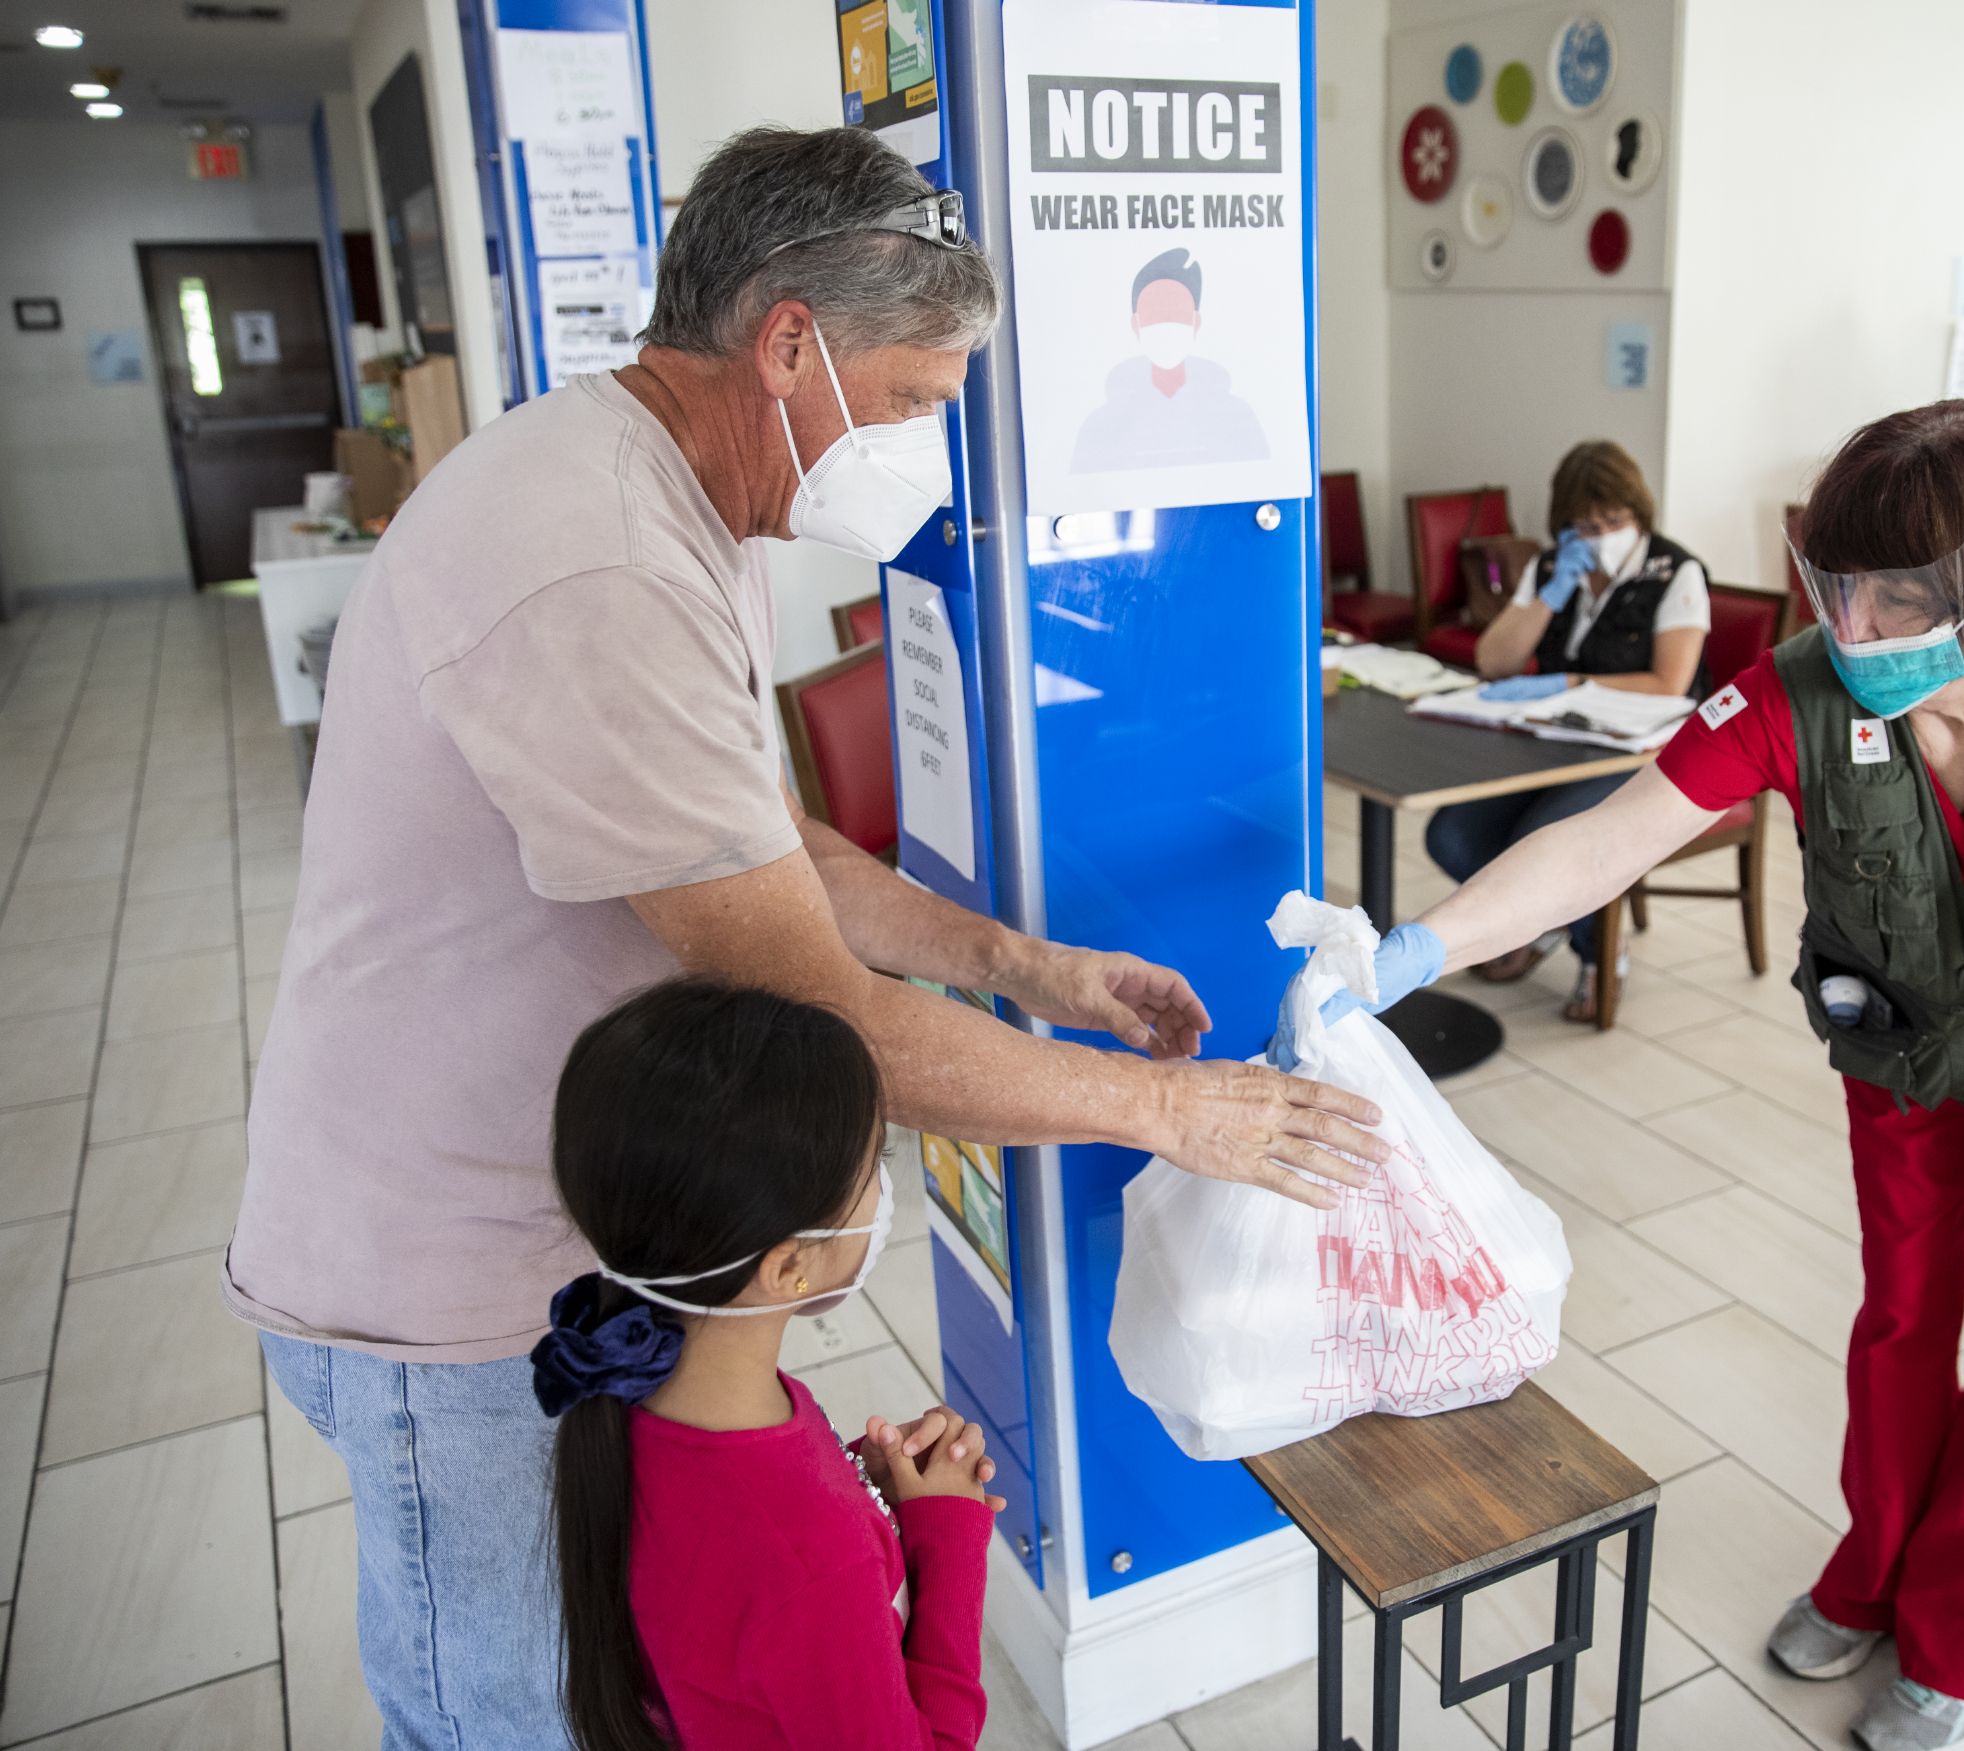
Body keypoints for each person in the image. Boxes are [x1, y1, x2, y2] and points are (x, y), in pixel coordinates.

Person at [231, 125, 1386, 1749]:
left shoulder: (642, 491)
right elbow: (811, 1000)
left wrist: (1024, 965)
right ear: (788, 345)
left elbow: (769, 856)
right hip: (447, 1282)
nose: (923, 443)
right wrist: (1176, 1113)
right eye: (914, 398)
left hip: (573, 1228)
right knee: (513, 1716)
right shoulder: (596, 558)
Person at [1283, 402, 1964, 1751]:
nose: (1853, 629)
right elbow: (1609, 840)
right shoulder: (1803, 685)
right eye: (1835, 585)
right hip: (1911, 1040)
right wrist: (1410, 949)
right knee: (1903, 1311)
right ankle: (1878, 1574)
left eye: (1896, 597)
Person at [537, 978, 997, 1751]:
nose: (882, 1192)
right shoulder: (811, 1564)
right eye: (870, 1169)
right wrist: (949, 1536)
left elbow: (730, 1588)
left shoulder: (643, 1393)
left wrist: (863, 1489)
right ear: (788, 1269)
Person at [1428, 439, 1711, 1021]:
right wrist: (1547, 598)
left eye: (1616, 520)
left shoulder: (1675, 570)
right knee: (1451, 835)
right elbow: (1495, 661)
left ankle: (1598, 950)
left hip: (1637, 754)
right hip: (1552, 744)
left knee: (1547, 837)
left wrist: (1571, 684)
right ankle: (1540, 920)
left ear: (1639, 514)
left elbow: (1671, 683)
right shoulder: (1554, 566)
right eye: (1587, 524)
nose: (1603, 533)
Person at [1071, 247, 1270, 471]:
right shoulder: (1101, 427)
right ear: (1135, 324)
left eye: (1176, 313)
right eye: (1154, 315)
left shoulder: (1236, 418)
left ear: (1196, 322)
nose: (1165, 325)